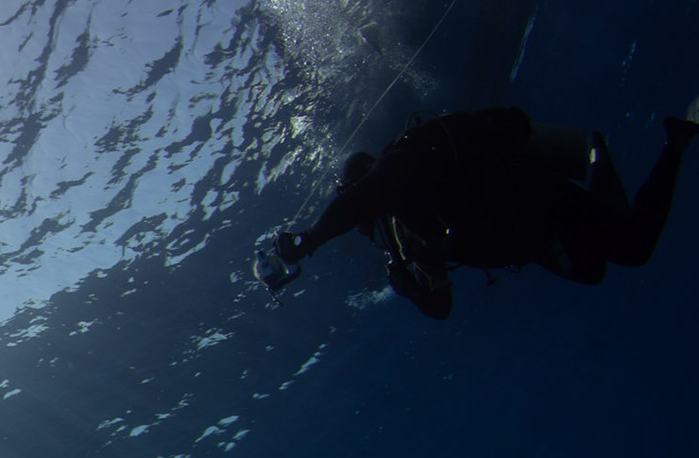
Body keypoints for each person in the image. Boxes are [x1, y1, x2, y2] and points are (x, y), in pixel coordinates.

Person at [255, 107, 699, 318]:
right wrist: (412, 291)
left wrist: (307, 242)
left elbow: (356, 203)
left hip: (534, 201)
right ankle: (600, 161)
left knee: (633, 246)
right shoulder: (409, 236)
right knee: (593, 269)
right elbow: (442, 305)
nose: (376, 234)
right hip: (526, 235)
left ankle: (672, 142)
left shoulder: (403, 167)